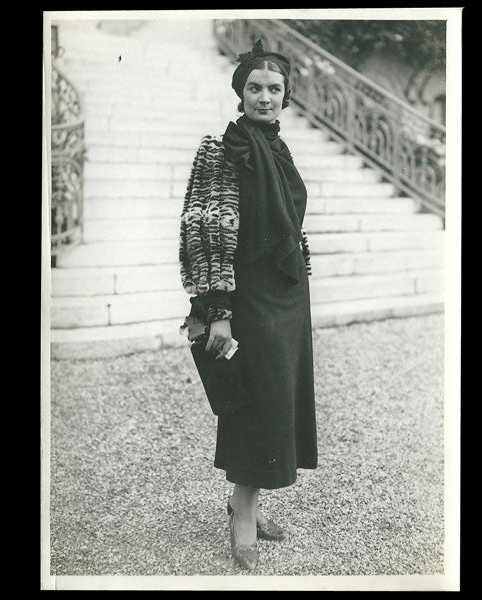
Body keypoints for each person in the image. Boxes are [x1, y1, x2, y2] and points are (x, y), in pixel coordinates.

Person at [179, 39, 318, 571]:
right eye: (255, 88)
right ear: (240, 93)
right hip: (244, 296)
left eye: (274, 89)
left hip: (285, 298)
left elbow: (289, 227)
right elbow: (203, 230)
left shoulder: (279, 149)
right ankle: (242, 509)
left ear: (285, 97)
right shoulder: (221, 149)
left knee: (278, 402)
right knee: (253, 401)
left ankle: (251, 503)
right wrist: (216, 308)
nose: (265, 97)